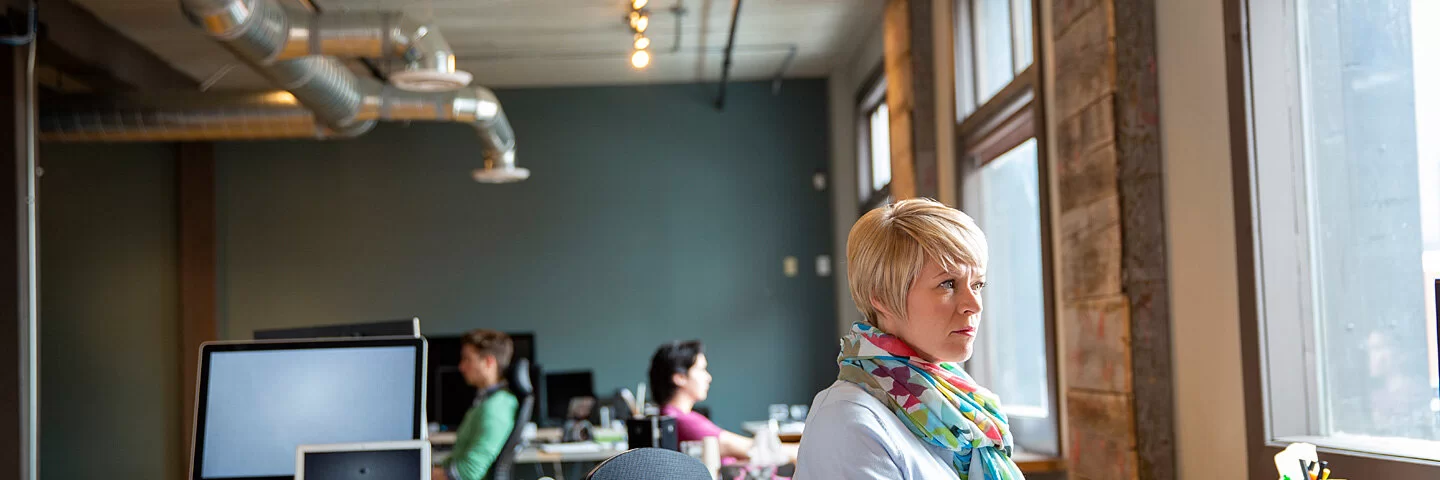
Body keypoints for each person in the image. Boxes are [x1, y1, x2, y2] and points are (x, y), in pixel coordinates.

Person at [795, 198, 1024, 480]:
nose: (974, 304)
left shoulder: (966, 403)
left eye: (977, 284)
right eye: (948, 284)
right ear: (881, 296)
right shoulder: (846, 420)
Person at [433, 329, 519, 480]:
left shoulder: (496, 408)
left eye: (467, 359)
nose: (461, 366)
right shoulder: (487, 401)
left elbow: (469, 472)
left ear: (488, 362)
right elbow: (458, 458)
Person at [649, 340, 754, 460]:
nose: (708, 377)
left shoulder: (672, 415)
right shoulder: (681, 420)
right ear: (680, 377)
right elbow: (752, 449)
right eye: (701, 369)